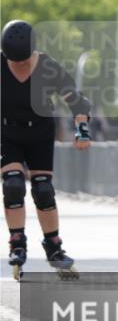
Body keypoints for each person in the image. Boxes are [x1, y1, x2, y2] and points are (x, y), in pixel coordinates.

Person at [1, 20, 92, 280]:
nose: (19, 66)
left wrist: (82, 132)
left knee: (43, 190)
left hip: (39, 133)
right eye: (13, 61)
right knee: (13, 184)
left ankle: (54, 248)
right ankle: (17, 242)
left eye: (24, 61)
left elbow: (78, 103)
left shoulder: (48, 68)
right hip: (6, 133)